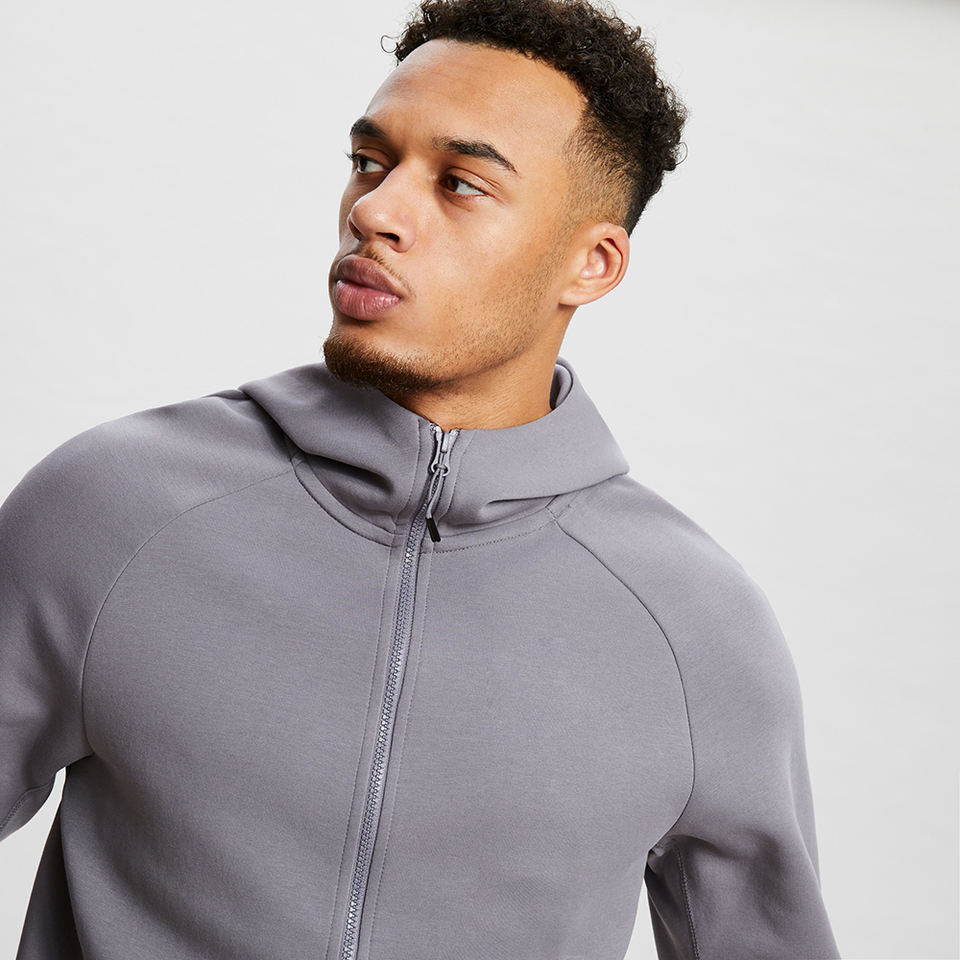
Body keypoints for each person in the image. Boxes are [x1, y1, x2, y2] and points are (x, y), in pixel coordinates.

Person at [0, 0, 841, 957]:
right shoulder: (111, 513)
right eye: (370, 161)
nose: (375, 211)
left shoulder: (697, 630)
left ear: (592, 263)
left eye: (460, 183)